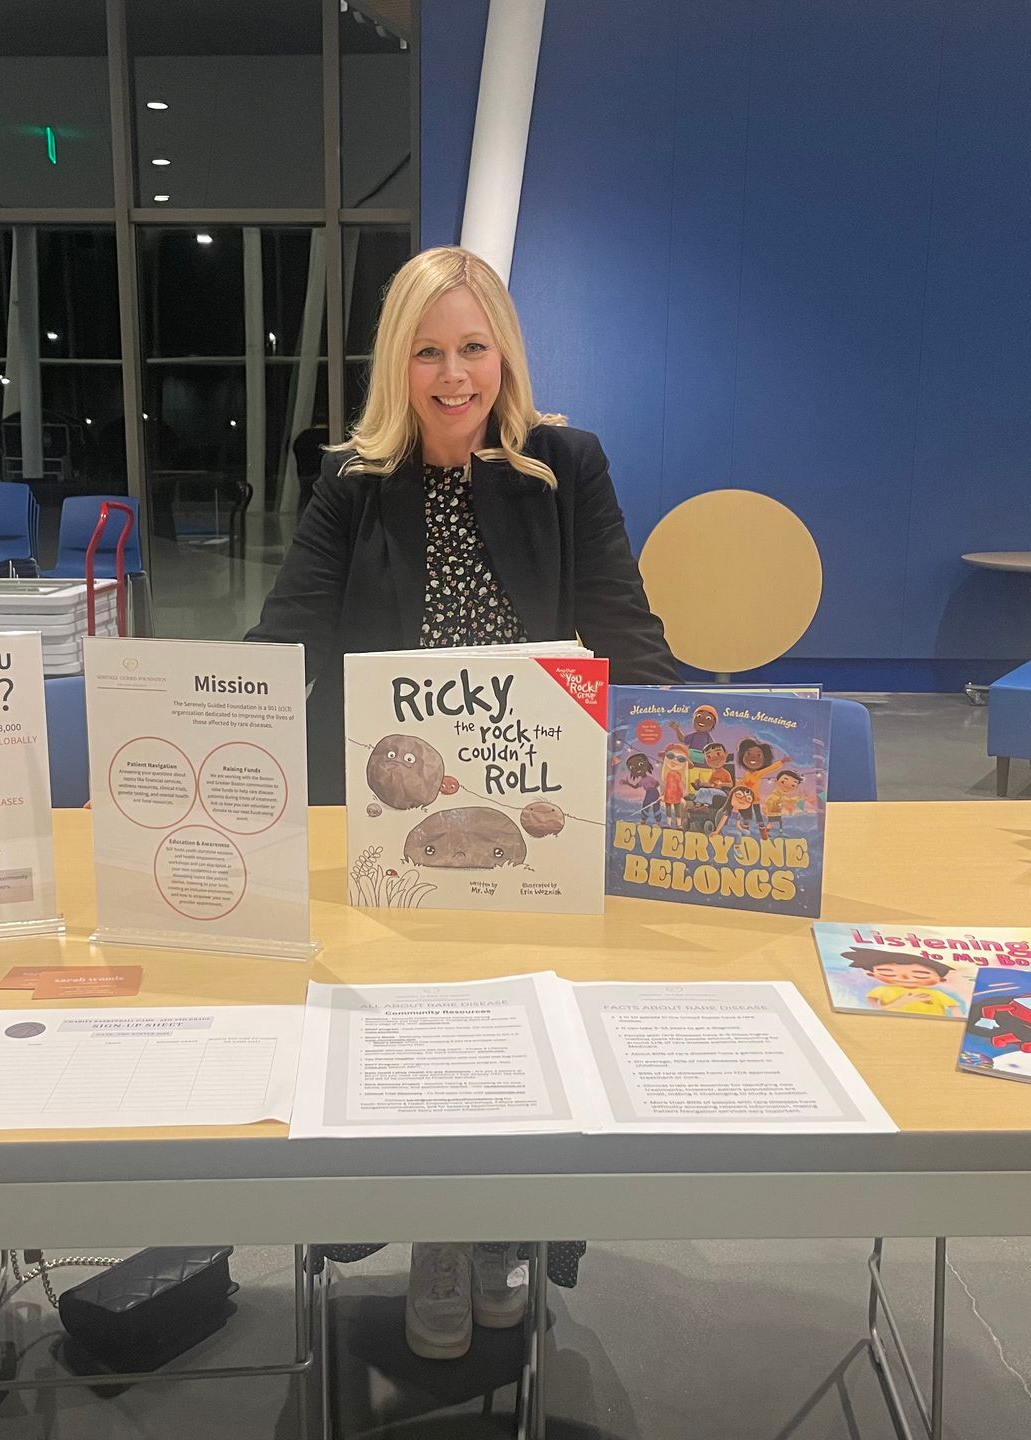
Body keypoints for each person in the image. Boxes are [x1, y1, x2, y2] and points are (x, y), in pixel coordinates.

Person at [248, 245, 678, 1362]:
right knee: (416, 1029)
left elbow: (623, 625)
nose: (453, 375)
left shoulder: (563, 466)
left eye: (472, 348)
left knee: (524, 1022)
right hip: (391, 814)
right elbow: (287, 630)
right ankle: (439, 1231)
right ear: (400, 361)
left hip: (534, 809)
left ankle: (500, 1227)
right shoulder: (351, 479)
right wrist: (206, 713)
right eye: (429, 351)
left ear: (504, 354)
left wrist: (693, 743)